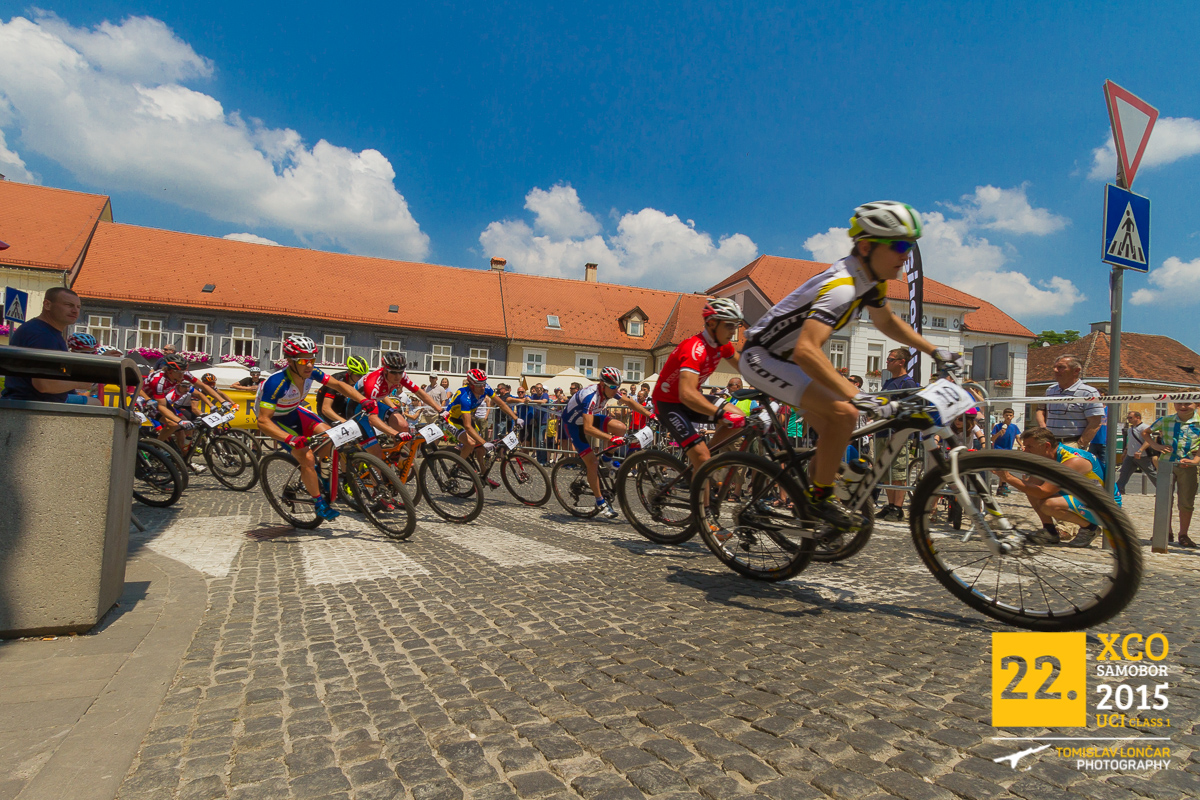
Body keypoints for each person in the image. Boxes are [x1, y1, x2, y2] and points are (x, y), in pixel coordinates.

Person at [739, 202, 962, 528]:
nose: (905, 254)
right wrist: (856, 394)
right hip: (763, 356)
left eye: (910, 246)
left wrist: (935, 350)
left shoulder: (870, 281)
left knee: (841, 424)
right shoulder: (842, 288)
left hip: (788, 359)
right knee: (845, 412)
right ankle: (819, 501)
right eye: (900, 245)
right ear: (867, 246)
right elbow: (806, 351)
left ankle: (813, 494)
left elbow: (888, 324)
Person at [255, 336, 375, 521]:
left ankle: (322, 476)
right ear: (290, 361)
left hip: (294, 411)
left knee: (330, 436)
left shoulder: (310, 372)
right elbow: (263, 422)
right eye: (304, 360)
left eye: (312, 359)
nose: (309, 365)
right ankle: (319, 503)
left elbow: (339, 385)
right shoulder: (276, 383)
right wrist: (291, 439)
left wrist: (363, 400)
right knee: (307, 457)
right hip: (277, 420)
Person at [652, 298, 747, 479]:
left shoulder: (722, 346)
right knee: (703, 458)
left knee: (739, 416)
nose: (733, 331)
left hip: (689, 398)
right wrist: (720, 415)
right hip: (669, 403)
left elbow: (746, 368)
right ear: (711, 323)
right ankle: (703, 500)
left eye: (736, 325)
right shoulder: (694, 349)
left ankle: (704, 457)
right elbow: (686, 394)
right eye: (729, 325)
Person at [997, 427, 1120, 548]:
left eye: (1030, 447)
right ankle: (1050, 531)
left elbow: (1043, 493)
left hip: (1106, 505)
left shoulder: (1073, 461)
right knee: (1031, 488)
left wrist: (1008, 478)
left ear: (1047, 446)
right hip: (1086, 498)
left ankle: (1090, 528)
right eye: (1025, 447)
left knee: (1048, 504)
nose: (1025, 451)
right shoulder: (1048, 457)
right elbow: (1031, 487)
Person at [564, 367, 647, 518]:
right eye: (614, 387)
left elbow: (628, 401)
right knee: (592, 463)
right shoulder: (590, 397)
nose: (616, 390)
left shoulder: (610, 390)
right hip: (574, 424)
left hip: (588, 418)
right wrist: (610, 439)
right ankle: (600, 501)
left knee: (620, 428)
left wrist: (650, 414)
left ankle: (607, 458)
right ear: (603, 384)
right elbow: (588, 429)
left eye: (618, 386)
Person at [1, 287, 95, 402]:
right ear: (47, 305)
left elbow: (58, 373)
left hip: (27, 399)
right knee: (97, 404)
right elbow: (43, 384)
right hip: (34, 404)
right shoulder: (42, 335)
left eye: (78, 307)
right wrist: (78, 382)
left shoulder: (42, 330)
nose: (75, 311)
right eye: (68, 305)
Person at [445, 369, 522, 485]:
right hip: (451, 419)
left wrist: (515, 418)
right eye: (479, 385)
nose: (483, 387)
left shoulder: (485, 388)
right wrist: (483, 441)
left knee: (480, 448)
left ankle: (483, 475)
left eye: (484, 383)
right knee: (471, 443)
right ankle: (458, 466)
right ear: (471, 385)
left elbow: (500, 403)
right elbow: (467, 426)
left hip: (466, 418)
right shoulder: (465, 397)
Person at [874, 348, 921, 521]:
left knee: (898, 472)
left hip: (897, 433)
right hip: (882, 432)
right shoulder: (888, 382)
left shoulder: (907, 383)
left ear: (901, 362)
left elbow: (910, 411)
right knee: (886, 472)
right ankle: (890, 505)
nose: (887, 362)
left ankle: (898, 507)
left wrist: (902, 434)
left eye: (890, 359)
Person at [1147, 402, 1200, 547]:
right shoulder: (1166, 420)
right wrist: (1156, 446)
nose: (1182, 406)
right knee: (1164, 500)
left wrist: (1196, 459)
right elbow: (1145, 432)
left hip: (1188, 466)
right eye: (1179, 403)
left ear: (1196, 405)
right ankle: (1165, 532)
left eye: (1187, 403)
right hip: (1166, 464)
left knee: (1186, 502)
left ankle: (1183, 534)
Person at [1036, 355, 1104, 455]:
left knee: (1066, 471)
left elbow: (1095, 422)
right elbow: (1041, 410)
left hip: (1071, 444)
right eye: (1055, 367)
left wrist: (1080, 444)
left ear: (1076, 371)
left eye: (1061, 367)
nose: (1055, 370)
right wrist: (1043, 428)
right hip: (1050, 443)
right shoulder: (1050, 390)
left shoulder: (1088, 392)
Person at [316, 355, 371, 425]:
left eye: (364, 375)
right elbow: (325, 409)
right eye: (358, 375)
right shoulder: (337, 379)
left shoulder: (361, 381)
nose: (361, 378)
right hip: (326, 412)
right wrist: (346, 423)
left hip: (342, 409)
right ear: (350, 372)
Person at [1116, 410, 1157, 496]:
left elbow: (1148, 441)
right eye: (1128, 418)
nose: (1128, 419)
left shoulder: (1144, 427)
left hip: (1142, 456)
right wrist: (1125, 452)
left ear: (1137, 418)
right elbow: (1130, 441)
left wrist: (1140, 450)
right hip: (1130, 455)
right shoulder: (1131, 429)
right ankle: (1119, 489)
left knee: (1151, 473)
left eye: (1130, 417)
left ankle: (1162, 489)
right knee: (1124, 472)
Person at [991, 408, 1022, 495]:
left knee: (1004, 468)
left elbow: (1017, 437)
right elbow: (992, 439)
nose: (1008, 417)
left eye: (1010, 415)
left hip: (1008, 450)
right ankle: (1003, 486)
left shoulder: (1014, 427)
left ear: (1013, 416)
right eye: (1007, 415)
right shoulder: (997, 426)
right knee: (1002, 469)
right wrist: (999, 433)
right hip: (999, 449)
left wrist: (1022, 445)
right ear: (1003, 416)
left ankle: (1001, 486)